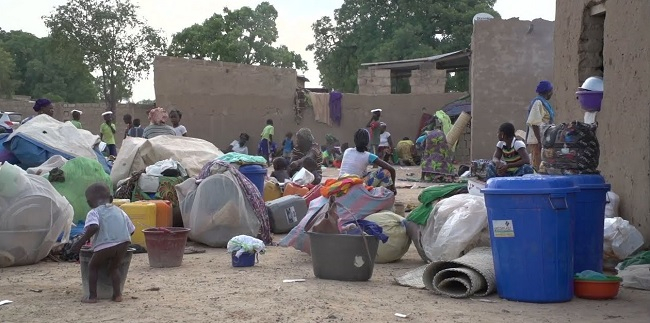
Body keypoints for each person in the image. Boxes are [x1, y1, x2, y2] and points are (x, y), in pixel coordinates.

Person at [71, 183, 135, 303]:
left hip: (105, 244)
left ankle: (93, 297)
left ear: (89, 203)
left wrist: (80, 242)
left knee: (93, 266)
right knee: (114, 268)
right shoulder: (120, 211)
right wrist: (119, 240)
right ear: (111, 199)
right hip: (124, 242)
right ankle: (117, 295)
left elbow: (94, 227)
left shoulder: (94, 212)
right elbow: (132, 230)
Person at [339, 129, 396, 194]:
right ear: (368, 141)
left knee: (369, 173)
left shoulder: (347, 151)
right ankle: (384, 195)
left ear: (355, 140)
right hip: (354, 185)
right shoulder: (368, 155)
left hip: (342, 183)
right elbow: (392, 169)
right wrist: (393, 186)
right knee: (386, 171)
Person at [526, 80, 555, 170]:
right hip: (536, 141)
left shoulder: (543, 103)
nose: (552, 93)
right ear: (548, 91)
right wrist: (539, 141)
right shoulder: (538, 103)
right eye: (551, 91)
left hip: (542, 140)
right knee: (537, 167)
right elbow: (534, 123)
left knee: (543, 167)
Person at [420, 117, 456, 183]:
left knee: (425, 162)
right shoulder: (441, 134)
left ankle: (422, 177)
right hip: (441, 152)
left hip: (431, 152)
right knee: (446, 162)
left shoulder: (428, 135)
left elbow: (423, 145)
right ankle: (449, 175)